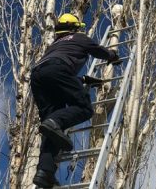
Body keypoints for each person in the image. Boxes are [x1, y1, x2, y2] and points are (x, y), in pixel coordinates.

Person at [30, 13, 120, 188]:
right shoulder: (79, 37)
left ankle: (44, 172)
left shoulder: (54, 45)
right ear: (74, 27)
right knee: (83, 108)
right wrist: (112, 55)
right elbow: (98, 51)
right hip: (58, 70)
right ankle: (54, 122)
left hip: (38, 77)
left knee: (52, 131)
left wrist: (84, 80)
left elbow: (53, 73)